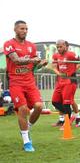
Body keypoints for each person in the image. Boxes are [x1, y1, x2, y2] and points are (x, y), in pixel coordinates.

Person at [3, 20, 48, 152]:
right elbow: (16, 60)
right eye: (22, 28)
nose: (25, 31)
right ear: (15, 30)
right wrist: (32, 60)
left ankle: (27, 127)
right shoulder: (9, 44)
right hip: (16, 83)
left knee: (39, 106)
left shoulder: (31, 46)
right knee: (22, 109)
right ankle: (26, 142)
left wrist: (41, 64)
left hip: (30, 82)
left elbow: (33, 66)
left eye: (26, 29)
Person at [51, 39, 80, 128]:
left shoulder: (71, 54)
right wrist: (59, 73)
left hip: (70, 81)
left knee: (67, 102)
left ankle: (68, 122)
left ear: (66, 46)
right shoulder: (56, 55)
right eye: (57, 47)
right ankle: (71, 117)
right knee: (55, 102)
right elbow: (54, 66)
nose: (59, 48)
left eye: (61, 46)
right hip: (60, 82)